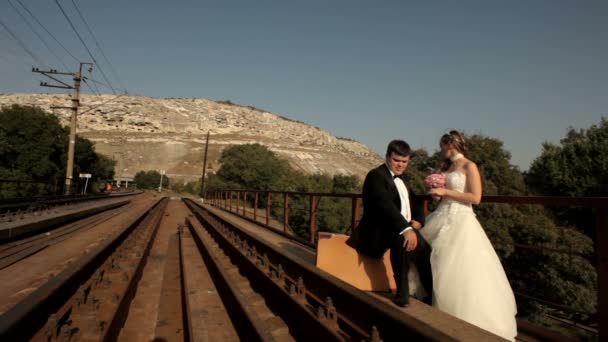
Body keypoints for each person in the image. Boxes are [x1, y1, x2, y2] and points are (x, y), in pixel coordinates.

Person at [422, 131, 517, 341]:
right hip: (442, 215)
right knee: (435, 261)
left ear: (450, 145)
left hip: (461, 219)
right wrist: (435, 189)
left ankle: (463, 318)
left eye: (441, 146)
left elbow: (476, 197)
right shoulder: (448, 167)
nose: (440, 150)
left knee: (456, 268)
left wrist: (445, 192)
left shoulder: (469, 166)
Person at [349, 140, 432, 307]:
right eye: (396, 160)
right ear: (387, 157)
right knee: (403, 242)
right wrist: (406, 228)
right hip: (380, 229)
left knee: (425, 249)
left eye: (404, 162)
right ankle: (402, 294)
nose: (400, 165)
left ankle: (431, 295)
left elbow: (414, 202)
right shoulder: (376, 176)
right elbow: (384, 206)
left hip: (401, 226)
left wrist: (419, 221)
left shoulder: (405, 178)